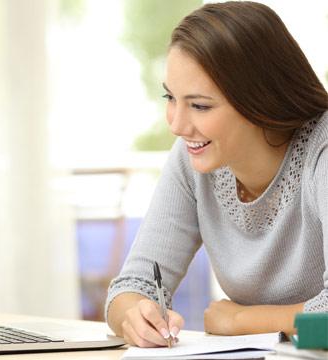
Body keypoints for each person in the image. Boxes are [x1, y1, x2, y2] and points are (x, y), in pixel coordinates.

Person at [105, 1, 328, 348]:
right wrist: (135, 315)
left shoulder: (322, 153)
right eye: (170, 97)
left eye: (200, 105)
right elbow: (131, 286)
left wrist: (240, 320)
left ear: (261, 100)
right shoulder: (196, 157)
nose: (177, 125)